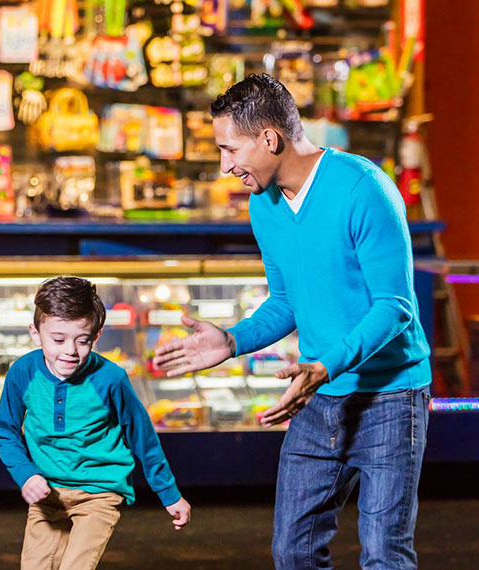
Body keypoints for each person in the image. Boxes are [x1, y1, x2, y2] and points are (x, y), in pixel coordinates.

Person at [154, 74, 431, 570]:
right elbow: (286, 301)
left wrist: (326, 365)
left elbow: (395, 306)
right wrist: (233, 340)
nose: (225, 167)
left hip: (389, 398)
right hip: (317, 394)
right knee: (293, 551)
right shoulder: (264, 204)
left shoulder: (363, 188)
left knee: (385, 554)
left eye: (229, 149)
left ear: (269, 138)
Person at [0, 276, 191, 570]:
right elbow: (5, 431)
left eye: (82, 340)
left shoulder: (111, 379)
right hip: (47, 492)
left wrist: (169, 492)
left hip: (99, 492)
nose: (70, 351)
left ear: (96, 336)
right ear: (35, 334)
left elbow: (142, 436)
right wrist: (26, 474)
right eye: (58, 339)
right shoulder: (22, 372)